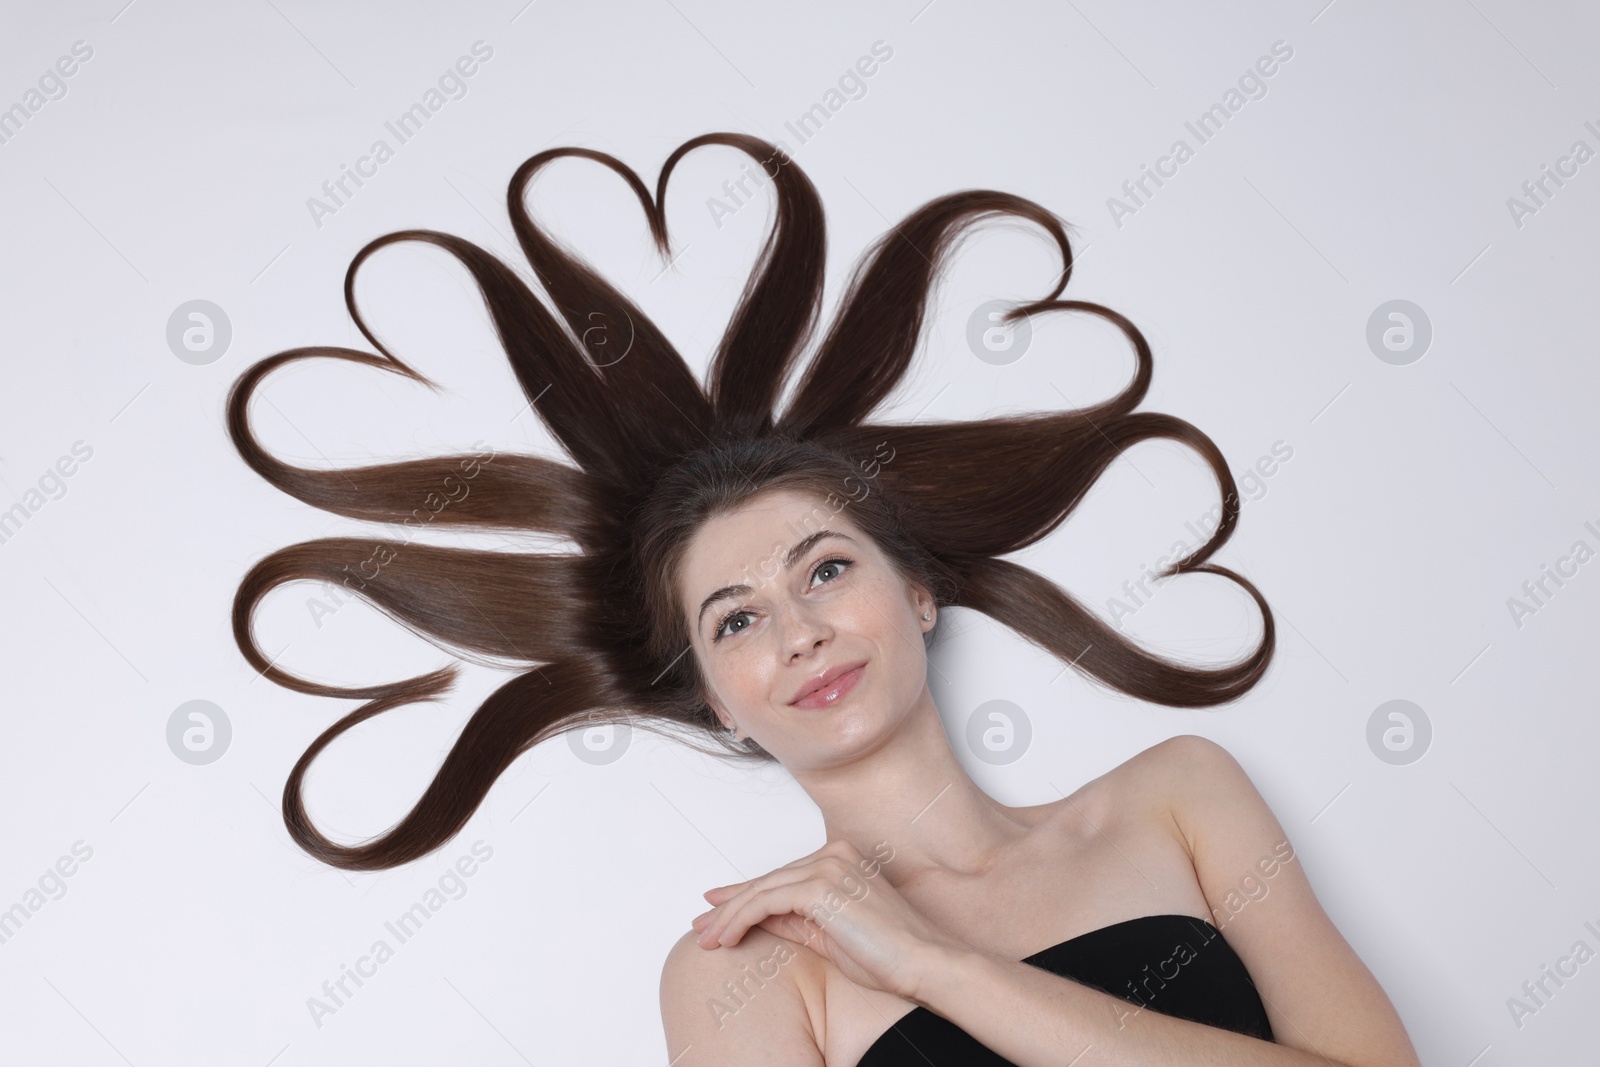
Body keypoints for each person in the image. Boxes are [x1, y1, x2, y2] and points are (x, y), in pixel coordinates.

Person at [224, 131, 1420, 1065]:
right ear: (717, 703)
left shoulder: (1179, 798)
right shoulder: (740, 965)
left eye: (825, 568)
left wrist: (933, 966)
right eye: (735, 618)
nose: (796, 630)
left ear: (920, 595)